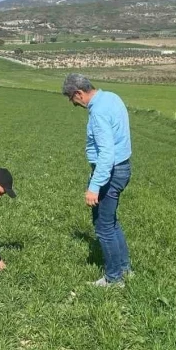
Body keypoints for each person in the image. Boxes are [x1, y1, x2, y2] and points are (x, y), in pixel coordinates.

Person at [62, 73, 132, 287]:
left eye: (71, 99)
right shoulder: (112, 97)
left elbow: (106, 154)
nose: (73, 104)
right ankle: (125, 269)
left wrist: (94, 186)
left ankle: (114, 279)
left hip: (110, 172)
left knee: (103, 227)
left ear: (79, 93)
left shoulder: (99, 112)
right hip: (123, 167)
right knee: (110, 222)